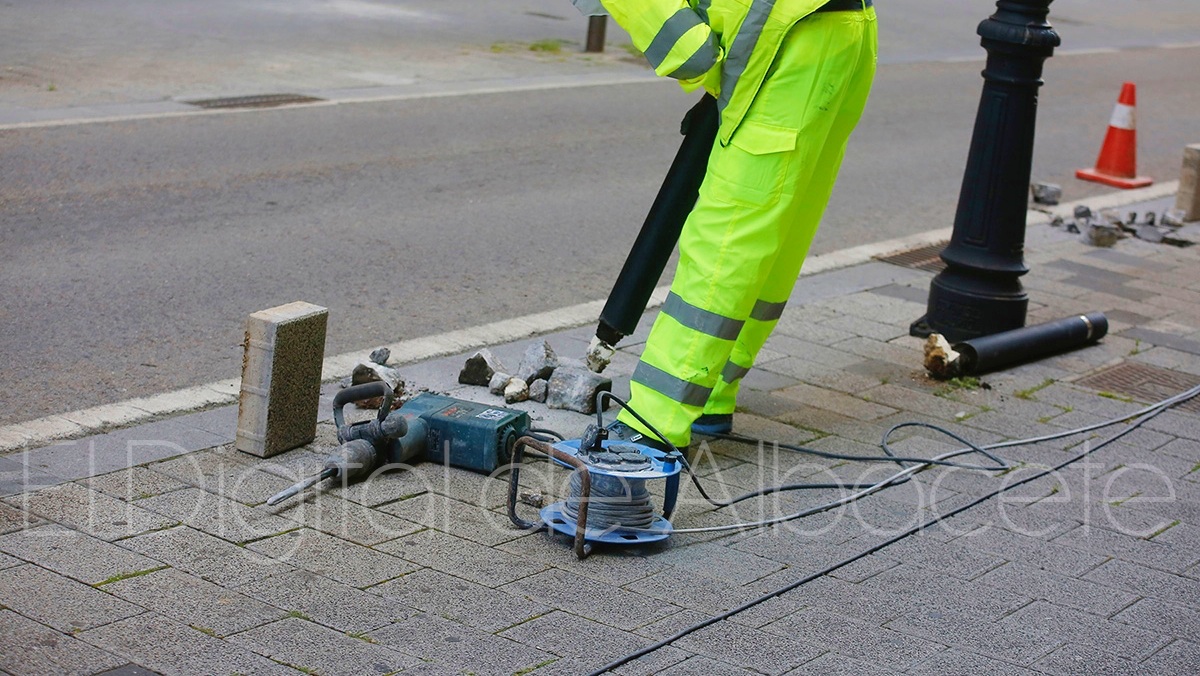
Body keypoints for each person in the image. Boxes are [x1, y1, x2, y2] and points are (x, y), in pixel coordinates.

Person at [579, 0, 878, 451]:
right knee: (777, 231)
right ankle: (713, 391)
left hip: (785, 47)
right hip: (842, 33)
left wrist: (721, 73)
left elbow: (691, 53)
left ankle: (652, 424)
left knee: (727, 238)